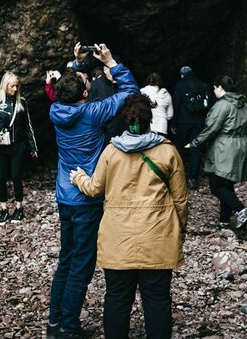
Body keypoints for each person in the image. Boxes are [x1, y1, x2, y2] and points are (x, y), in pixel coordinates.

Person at [69, 93, 187, 339]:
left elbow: (94, 189)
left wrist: (78, 177)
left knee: (116, 299)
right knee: (157, 300)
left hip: (118, 238)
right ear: (150, 120)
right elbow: (180, 200)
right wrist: (179, 232)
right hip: (158, 237)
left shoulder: (111, 152)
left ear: (125, 120)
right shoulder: (168, 153)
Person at [46, 43, 139, 339]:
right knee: (81, 266)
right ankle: (69, 329)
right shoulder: (93, 112)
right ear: (86, 94)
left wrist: (75, 63)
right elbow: (131, 92)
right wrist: (111, 61)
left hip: (64, 194)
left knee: (65, 260)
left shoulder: (55, 110)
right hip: (86, 197)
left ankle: (54, 323)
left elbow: (66, 87)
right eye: (86, 81)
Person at [185, 75, 247, 230]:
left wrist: (194, 143)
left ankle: (241, 210)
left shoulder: (222, 105)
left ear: (219, 87)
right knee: (227, 184)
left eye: (214, 88)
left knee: (217, 185)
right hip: (242, 146)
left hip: (225, 149)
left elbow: (212, 128)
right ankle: (224, 222)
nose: (213, 91)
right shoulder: (245, 106)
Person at [0, 71, 38, 224]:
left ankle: (19, 208)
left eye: (17, 86)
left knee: (15, 175)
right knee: (1, 177)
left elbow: (28, 126)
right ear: (5, 85)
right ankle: (3, 209)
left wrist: (33, 146)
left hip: (18, 146)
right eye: (12, 86)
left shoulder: (22, 102)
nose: (15, 89)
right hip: (0, 147)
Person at [171, 66, 212, 188]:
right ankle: (193, 178)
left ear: (182, 75)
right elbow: (209, 104)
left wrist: (173, 123)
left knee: (179, 149)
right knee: (195, 149)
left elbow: (176, 105)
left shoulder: (180, 86)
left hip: (183, 122)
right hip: (199, 122)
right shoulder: (203, 85)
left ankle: (178, 177)